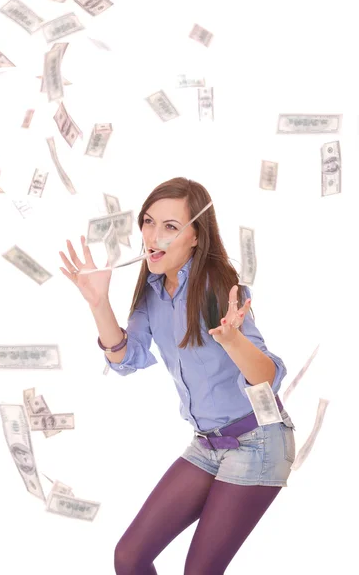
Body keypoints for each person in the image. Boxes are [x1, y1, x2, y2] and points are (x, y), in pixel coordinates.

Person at [59, 177, 296, 574]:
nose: (153, 236)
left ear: (196, 238)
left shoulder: (216, 286)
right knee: (130, 557)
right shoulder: (152, 290)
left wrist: (233, 340)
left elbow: (269, 377)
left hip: (259, 439)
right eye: (149, 222)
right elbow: (125, 359)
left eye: (170, 227)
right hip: (207, 444)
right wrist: (99, 303)